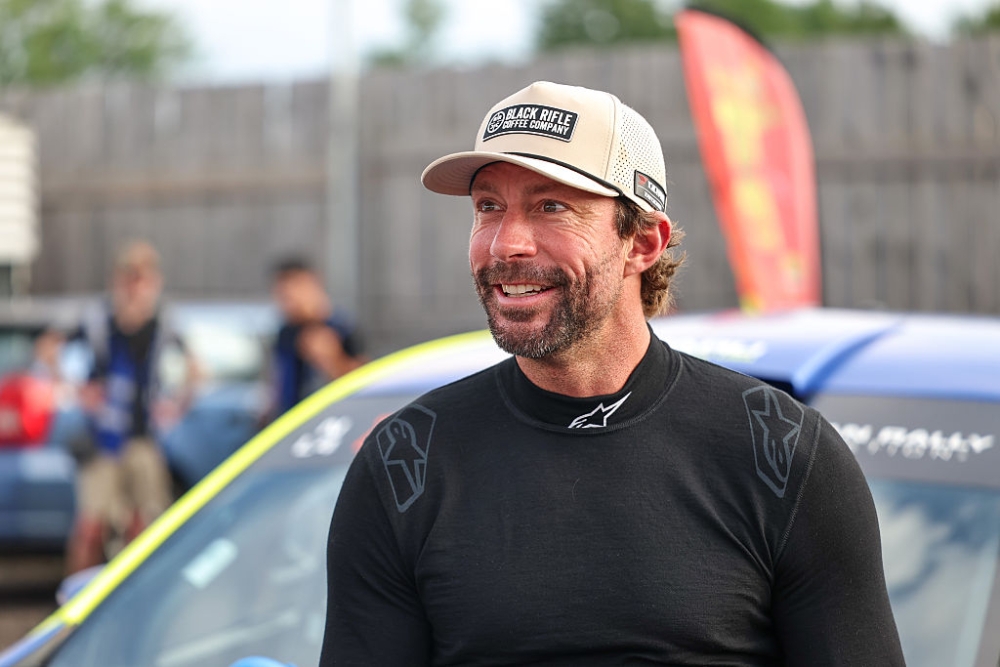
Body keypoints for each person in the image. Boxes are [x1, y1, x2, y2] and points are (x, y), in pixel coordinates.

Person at [320, 81, 904, 665]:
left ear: (643, 242)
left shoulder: (779, 451)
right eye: (488, 207)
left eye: (551, 207)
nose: (505, 244)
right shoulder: (406, 460)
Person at [65, 240, 197, 574]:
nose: (135, 288)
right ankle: (75, 597)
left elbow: (196, 368)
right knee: (91, 528)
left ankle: (135, 597)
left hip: (143, 438)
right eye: (129, 278)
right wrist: (80, 390)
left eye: (142, 279)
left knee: (145, 526)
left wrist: (176, 404)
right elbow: (50, 350)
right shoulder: (98, 320)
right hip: (102, 440)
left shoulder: (163, 323)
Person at [268, 258, 366, 419]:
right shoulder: (286, 332)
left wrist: (332, 359)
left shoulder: (341, 326)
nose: (288, 303)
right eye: (282, 296)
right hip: (292, 418)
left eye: (292, 294)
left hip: (331, 418)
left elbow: (363, 380)